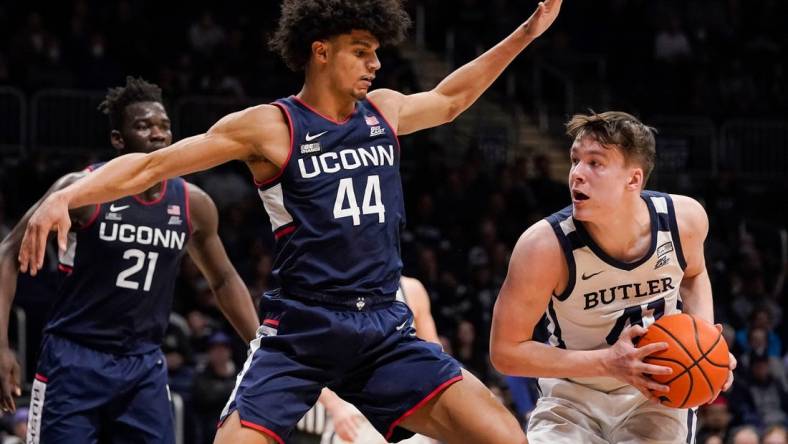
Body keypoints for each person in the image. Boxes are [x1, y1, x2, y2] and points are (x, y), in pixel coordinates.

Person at [16, 0, 563, 442]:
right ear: (321, 52)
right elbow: (156, 163)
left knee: (504, 437)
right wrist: (65, 197)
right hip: (301, 330)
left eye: (376, 52)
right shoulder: (271, 127)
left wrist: (528, 32)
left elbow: (450, 100)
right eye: (362, 51)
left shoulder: (386, 111)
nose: (375, 63)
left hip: (381, 326)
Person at [0, 77, 259, 443]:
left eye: (164, 126)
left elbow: (224, 280)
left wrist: (260, 347)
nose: (157, 134)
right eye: (143, 126)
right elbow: (8, 253)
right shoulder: (81, 191)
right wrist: (1, 346)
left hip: (143, 364)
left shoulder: (193, 204)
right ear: (118, 141)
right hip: (74, 359)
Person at [489, 111, 737, 443]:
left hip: (655, 393)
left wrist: (704, 342)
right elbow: (505, 352)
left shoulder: (684, 219)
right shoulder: (544, 247)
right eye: (575, 160)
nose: (576, 174)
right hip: (573, 397)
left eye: (595, 163)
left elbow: (693, 273)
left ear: (633, 180)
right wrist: (607, 363)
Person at [314, 275, 440, 444]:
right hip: (353, 415)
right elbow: (309, 358)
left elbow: (434, 360)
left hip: (407, 413)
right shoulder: (332, 289)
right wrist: (335, 407)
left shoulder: (411, 289)